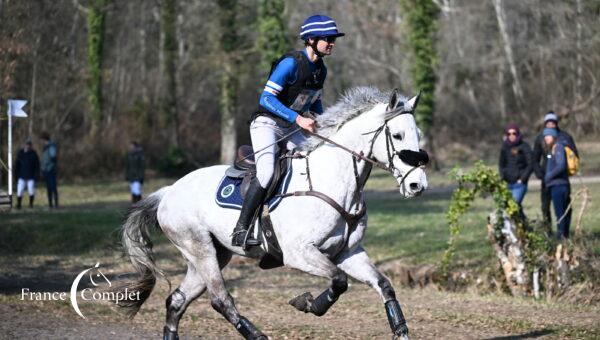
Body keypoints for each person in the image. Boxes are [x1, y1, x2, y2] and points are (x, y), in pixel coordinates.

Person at [231, 14, 345, 248]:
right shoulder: (290, 63)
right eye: (328, 38)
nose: (332, 42)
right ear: (311, 39)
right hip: (266, 124)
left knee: (309, 162)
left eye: (334, 38)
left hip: (291, 126)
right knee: (266, 173)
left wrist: (323, 122)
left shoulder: (320, 70)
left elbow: (315, 104)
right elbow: (266, 98)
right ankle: (241, 229)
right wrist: (298, 119)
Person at [532, 112, 578, 226]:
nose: (551, 124)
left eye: (553, 122)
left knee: (565, 207)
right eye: (548, 122)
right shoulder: (540, 138)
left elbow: (574, 154)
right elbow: (534, 159)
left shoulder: (565, 137)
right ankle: (548, 232)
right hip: (546, 178)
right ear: (545, 123)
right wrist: (541, 175)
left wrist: (569, 169)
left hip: (561, 179)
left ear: (556, 123)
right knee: (545, 207)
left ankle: (564, 233)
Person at [543, 128, 571, 239]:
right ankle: (564, 235)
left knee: (560, 213)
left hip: (559, 186)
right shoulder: (551, 150)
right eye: (545, 136)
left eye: (548, 136)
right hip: (554, 185)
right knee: (561, 212)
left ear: (554, 137)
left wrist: (549, 176)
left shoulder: (558, 147)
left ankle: (561, 236)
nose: (546, 138)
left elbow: (561, 165)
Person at [498, 123, 532, 213]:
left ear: (517, 134)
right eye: (509, 134)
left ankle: (519, 225)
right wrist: (502, 176)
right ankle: (523, 225)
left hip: (519, 184)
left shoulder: (524, 146)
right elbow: (501, 164)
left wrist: (522, 179)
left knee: (514, 205)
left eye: (514, 133)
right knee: (509, 208)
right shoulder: (504, 147)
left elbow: (530, 164)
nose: (511, 135)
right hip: (507, 183)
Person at [14, 140, 40, 209]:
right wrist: (16, 175)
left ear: (31, 146)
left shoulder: (34, 154)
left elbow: (37, 166)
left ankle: (31, 205)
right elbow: (17, 165)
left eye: (29, 145)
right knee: (19, 191)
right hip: (21, 176)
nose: (28, 146)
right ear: (24, 145)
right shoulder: (20, 153)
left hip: (31, 176)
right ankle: (19, 204)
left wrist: (36, 175)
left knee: (31, 191)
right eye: (27, 145)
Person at [40, 132, 59, 208]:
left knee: (52, 187)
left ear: (44, 139)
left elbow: (53, 156)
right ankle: (50, 204)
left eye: (41, 140)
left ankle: (55, 204)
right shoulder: (46, 146)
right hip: (46, 170)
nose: (40, 142)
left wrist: (49, 165)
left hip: (50, 170)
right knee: (49, 187)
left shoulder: (51, 146)